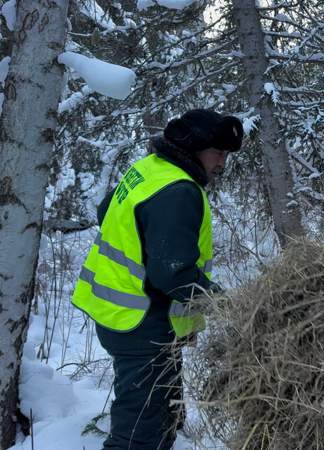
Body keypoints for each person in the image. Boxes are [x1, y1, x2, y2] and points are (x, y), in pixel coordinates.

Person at [71, 109, 243, 449]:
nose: (223, 162)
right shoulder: (178, 191)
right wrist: (225, 304)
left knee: (161, 412)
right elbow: (173, 273)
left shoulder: (150, 168)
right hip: (140, 321)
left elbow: (106, 210)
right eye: (218, 153)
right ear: (194, 147)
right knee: (139, 430)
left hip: (123, 313)